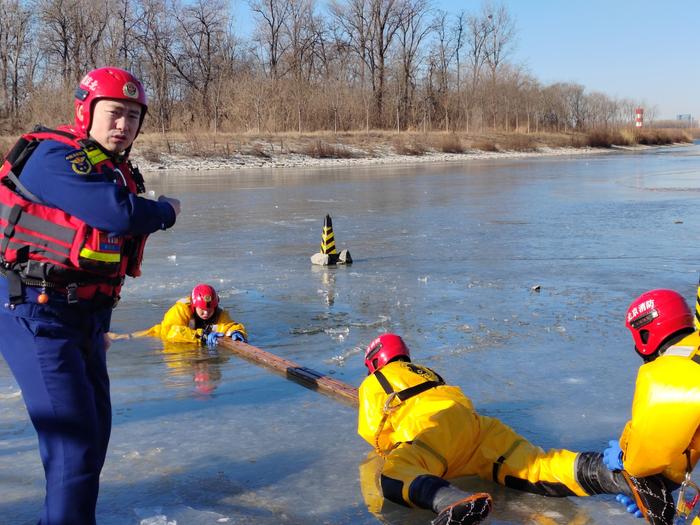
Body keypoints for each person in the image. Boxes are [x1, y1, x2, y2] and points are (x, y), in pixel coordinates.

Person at [0, 67, 180, 525]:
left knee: (93, 436)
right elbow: (116, 215)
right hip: (34, 313)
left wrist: (99, 327)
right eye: (115, 113)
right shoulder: (51, 158)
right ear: (86, 111)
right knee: (73, 442)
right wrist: (166, 210)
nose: (124, 125)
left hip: (84, 318)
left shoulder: (113, 169)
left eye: (134, 117)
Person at [358, 333, 675, 525]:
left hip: (432, 436)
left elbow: (375, 435)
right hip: (477, 427)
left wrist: (401, 453)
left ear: (375, 362)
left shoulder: (374, 382)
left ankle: (450, 501)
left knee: (392, 473)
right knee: (538, 465)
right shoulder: (427, 372)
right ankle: (610, 475)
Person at [603, 288, 700, 525]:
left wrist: (624, 453)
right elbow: (686, 434)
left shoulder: (667, 375)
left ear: (645, 336)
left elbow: (642, 459)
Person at [138, 283, 247, 346]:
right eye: (202, 309)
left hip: (194, 341)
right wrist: (201, 336)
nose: (206, 313)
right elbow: (170, 332)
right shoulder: (181, 309)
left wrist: (237, 332)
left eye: (210, 309)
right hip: (155, 337)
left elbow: (229, 326)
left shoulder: (219, 313)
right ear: (194, 305)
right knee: (123, 339)